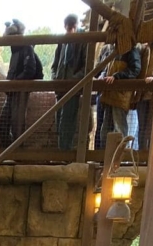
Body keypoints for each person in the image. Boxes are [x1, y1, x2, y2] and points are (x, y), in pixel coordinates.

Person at [52, 14, 85, 150]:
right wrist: (55, 78)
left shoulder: (84, 41)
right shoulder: (62, 41)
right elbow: (55, 64)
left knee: (67, 122)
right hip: (60, 87)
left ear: (76, 26)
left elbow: (87, 67)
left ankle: (65, 154)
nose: (69, 32)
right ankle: (61, 152)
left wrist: (73, 81)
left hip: (73, 88)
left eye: (72, 29)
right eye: (67, 29)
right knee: (59, 121)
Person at [4, 21, 41, 143]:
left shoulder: (26, 48)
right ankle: (9, 152)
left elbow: (29, 70)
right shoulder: (16, 51)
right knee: (3, 124)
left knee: (17, 124)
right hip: (13, 90)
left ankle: (17, 154)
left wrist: (15, 82)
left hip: (20, 90)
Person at [98, 44, 141, 145]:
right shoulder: (111, 50)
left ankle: (120, 156)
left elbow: (135, 69)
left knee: (119, 127)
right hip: (109, 94)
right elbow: (107, 68)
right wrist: (103, 75)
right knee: (105, 129)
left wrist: (117, 76)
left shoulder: (131, 50)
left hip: (121, 95)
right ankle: (104, 156)